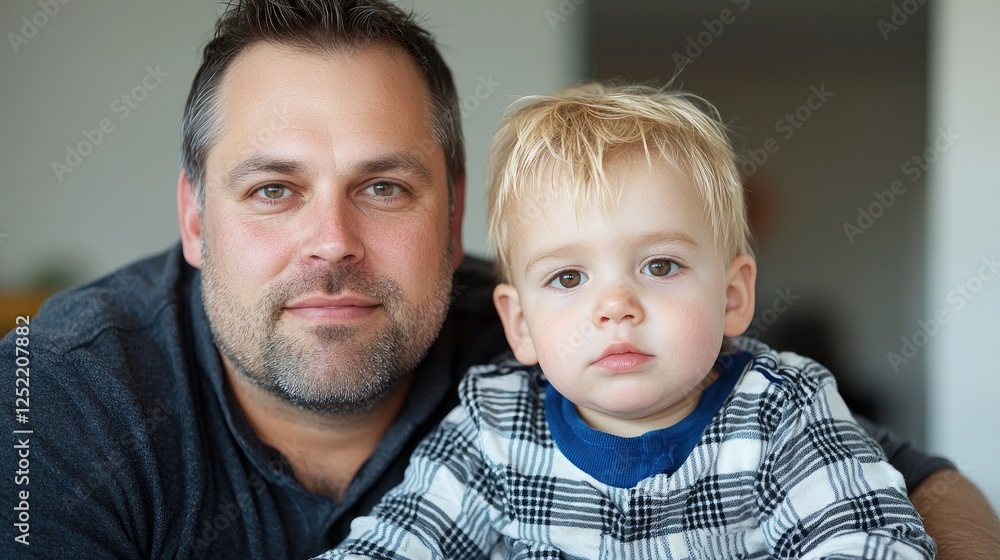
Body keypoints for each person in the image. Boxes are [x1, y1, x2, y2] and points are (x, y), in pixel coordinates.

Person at [0, 1, 996, 559]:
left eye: (383, 187)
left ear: (452, 216)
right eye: (273, 189)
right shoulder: (62, 393)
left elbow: (918, 496)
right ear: (193, 217)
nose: (330, 241)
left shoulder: (679, 372)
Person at [319, 84, 935, 559]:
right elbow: (397, 543)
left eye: (660, 266)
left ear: (732, 296)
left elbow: (872, 542)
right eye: (569, 278)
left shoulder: (779, 410)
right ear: (521, 324)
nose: (615, 306)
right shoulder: (496, 424)